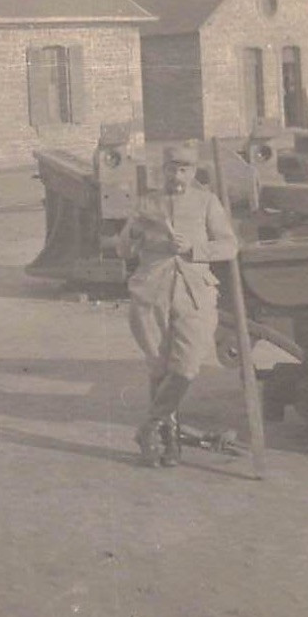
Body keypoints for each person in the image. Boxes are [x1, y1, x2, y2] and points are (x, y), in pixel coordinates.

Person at [114, 142, 238, 467]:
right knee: (159, 368)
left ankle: (150, 426)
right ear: (163, 171)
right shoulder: (147, 202)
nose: (177, 175)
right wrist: (135, 232)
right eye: (172, 169)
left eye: (184, 169)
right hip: (151, 291)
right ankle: (165, 445)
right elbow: (123, 250)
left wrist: (195, 247)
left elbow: (229, 246)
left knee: (186, 366)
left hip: (194, 293)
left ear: (193, 172)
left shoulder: (206, 202)